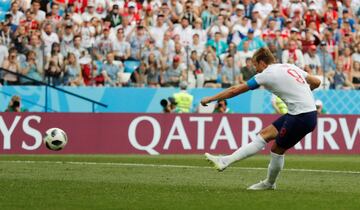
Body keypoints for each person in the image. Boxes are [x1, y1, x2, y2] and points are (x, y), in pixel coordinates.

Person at [201, 47, 321, 190]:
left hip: (302, 117)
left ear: (262, 63)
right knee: (264, 135)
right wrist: (302, 93)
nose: (255, 69)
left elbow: (234, 90)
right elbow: (316, 82)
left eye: (255, 65)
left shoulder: (266, 74)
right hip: (302, 113)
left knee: (277, 149)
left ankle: (269, 183)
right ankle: (225, 161)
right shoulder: (289, 66)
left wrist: (211, 98)